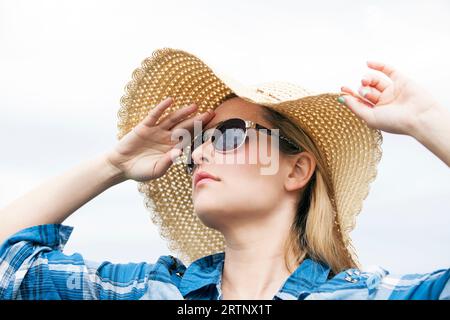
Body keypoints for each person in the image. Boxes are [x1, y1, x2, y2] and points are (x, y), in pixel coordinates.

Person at [0, 48, 449, 300]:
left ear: (296, 170)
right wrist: (112, 166)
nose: (201, 151)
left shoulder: (364, 297)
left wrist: (429, 121)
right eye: (196, 140)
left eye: (231, 134)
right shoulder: (154, 290)